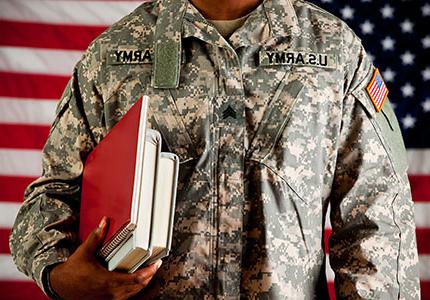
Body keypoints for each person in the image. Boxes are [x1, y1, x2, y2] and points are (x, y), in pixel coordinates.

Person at [9, 0, 420, 298]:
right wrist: (59, 276)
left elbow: (377, 219)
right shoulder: (112, 56)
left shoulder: (334, 53)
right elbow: (54, 195)